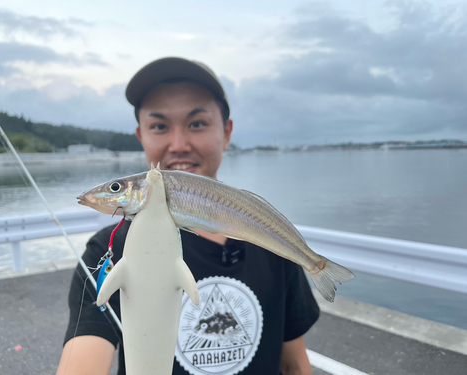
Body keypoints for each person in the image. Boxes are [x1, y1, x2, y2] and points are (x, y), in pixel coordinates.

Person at [56, 57, 319, 375]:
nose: (178, 145)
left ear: (226, 132)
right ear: (141, 136)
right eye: (159, 126)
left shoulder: (271, 240)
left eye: (197, 124)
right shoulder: (108, 251)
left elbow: (295, 364)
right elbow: (84, 357)